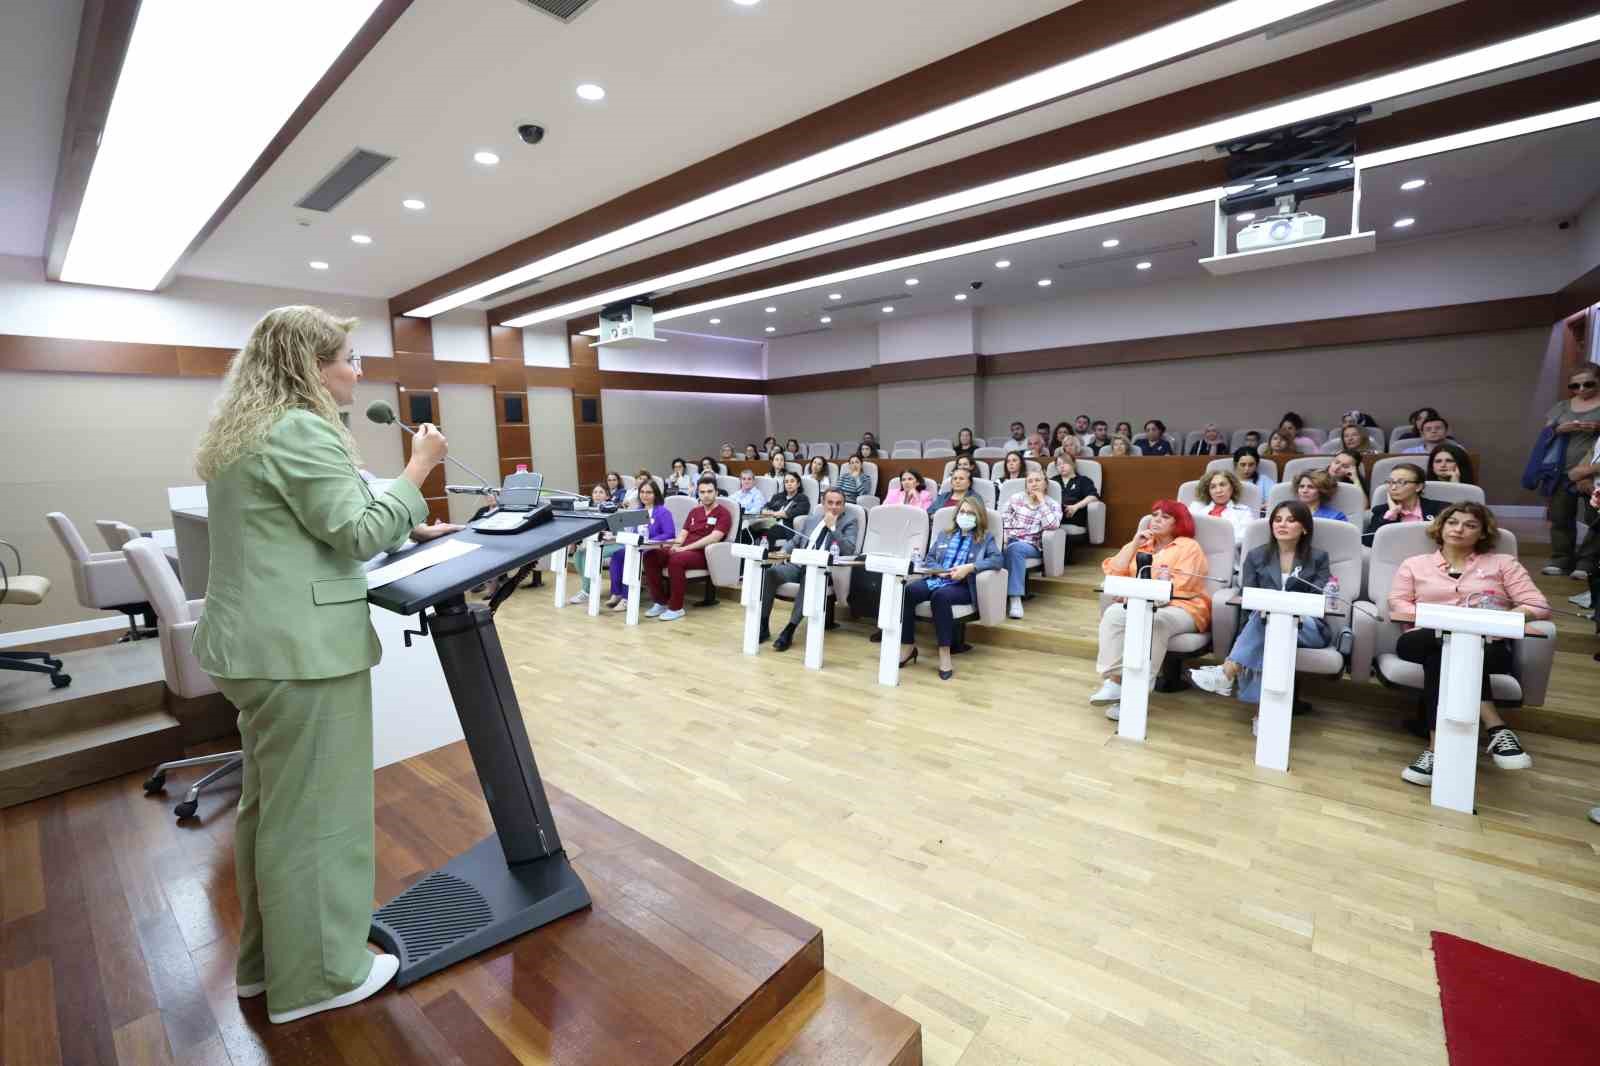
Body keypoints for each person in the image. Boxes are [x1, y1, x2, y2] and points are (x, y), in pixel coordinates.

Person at [192, 305, 460, 1023]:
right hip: (299, 654)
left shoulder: (249, 428)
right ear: (308, 365)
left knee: (271, 812)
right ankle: (319, 980)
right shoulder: (305, 427)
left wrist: (406, 514)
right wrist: (419, 468)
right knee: (319, 818)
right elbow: (356, 532)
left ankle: (265, 969)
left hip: (253, 647)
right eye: (347, 356)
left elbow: (305, 524)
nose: (358, 369)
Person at [1389, 502, 1549, 786]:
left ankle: (1436, 750)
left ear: (1483, 533)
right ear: (1441, 527)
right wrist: (1438, 619)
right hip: (1423, 636)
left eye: (1470, 525)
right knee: (1442, 642)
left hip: (1487, 644)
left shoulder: (1502, 564)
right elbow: (1398, 603)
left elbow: (1536, 604)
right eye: (1453, 523)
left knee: (1443, 654)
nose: (1459, 529)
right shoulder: (1415, 564)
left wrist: (1497, 622)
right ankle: (1496, 727)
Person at [1189, 500, 1332, 715]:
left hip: (1307, 626)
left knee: (1267, 620)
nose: (1282, 524)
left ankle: (1228, 672)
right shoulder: (1257, 556)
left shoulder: (1318, 558)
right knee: (1268, 623)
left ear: (1304, 527)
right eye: (1277, 519)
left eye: (1291, 520)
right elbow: (1248, 597)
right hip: (1264, 622)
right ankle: (1264, 715)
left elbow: (1319, 596)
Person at [1091, 501, 1211, 720]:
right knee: (1113, 614)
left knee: (1154, 621)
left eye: (1164, 517)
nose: (1155, 519)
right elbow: (1114, 572)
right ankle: (1115, 681)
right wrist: (1133, 543)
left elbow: (1183, 585)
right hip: (1139, 603)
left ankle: (1135, 697)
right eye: (1154, 514)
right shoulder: (1143, 544)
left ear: (1179, 522)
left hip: (1183, 607)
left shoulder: (1187, 546)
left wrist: (1139, 596)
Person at [897, 496, 1002, 680]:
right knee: (908, 591)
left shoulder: (985, 538)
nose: (965, 516)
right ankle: (908, 646)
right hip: (939, 579)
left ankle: (944, 653)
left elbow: (997, 560)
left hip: (962, 585)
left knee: (941, 596)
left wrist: (969, 567)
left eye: (970, 513)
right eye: (962, 512)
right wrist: (939, 571)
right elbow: (929, 558)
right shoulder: (945, 534)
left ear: (978, 517)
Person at [760, 487, 860, 650]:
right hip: (798, 565)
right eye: (830, 503)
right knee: (771, 573)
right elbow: (795, 541)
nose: (834, 507)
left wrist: (833, 528)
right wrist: (783, 551)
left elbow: (849, 549)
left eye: (838, 503)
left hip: (821, 570)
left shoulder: (849, 521)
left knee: (810, 577)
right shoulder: (812, 520)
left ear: (843, 505)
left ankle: (789, 630)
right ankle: (763, 625)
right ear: (823, 503)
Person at [641, 477, 732, 621]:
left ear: (716, 492)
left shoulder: (723, 513)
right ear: (698, 493)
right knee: (651, 556)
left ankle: (676, 608)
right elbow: (682, 535)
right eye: (702, 492)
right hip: (685, 550)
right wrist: (675, 547)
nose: (706, 495)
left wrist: (684, 549)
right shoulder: (694, 512)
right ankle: (661, 601)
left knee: (676, 560)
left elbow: (714, 538)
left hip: (704, 554)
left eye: (709, 491)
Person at [1543, 363, 1600, 578]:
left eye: (1588, 384)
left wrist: (1596, 428)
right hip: (1561, 470)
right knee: (1560, 517)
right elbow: (1546, 434)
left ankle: (1587, 562)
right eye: (1575, 386)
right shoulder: (1562, 406)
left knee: (1594, 519)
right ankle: (1561, 559)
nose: (1581, 389)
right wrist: (1560, 429)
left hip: (1594, 473)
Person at [599, 478, 674, 610]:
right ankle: (617, 593)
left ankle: (627, 598)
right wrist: (615, 535)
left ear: (655, 494)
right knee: (618, 555)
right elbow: (632, 531)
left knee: (631, 557)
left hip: (652, 547)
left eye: (649, 492)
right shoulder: (637, 511)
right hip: (636, 546)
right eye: (642, 492)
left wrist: (649, 539)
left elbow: (669, 533)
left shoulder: (663, 512)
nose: (645, 495)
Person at [1001, 469, 1062, 618]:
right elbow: (1001, 519)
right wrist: (1004, 535)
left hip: (1031, 545)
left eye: (1038, 480)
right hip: (1008, 539)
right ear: (1026, 485)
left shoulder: (1052, 504)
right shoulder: (1016, 499)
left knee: (1015, 549)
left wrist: (1041, 502)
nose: (1034, 484)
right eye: (1030, 481)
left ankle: (1015, 599)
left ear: (1045, 484)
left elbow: (1052, 525)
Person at [1363, 462, 1440, 546]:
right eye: (1390, 482)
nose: (1393, 487)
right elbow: (1368, 542)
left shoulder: (1440, 509)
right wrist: (1391, 515)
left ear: (1419, 487)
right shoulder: (1381, 511)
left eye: (1401, 482)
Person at [572, 483, 622, 604]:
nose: (597, 495)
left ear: (607, 496)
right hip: (597, 544)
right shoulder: (589, 511)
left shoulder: (614, 510)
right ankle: (586, 588)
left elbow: (619, 534)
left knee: (588, 554)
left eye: (601, 492)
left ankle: (586, 592)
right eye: (595, 492)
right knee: (578, 555)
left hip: (616, 544)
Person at [1189, 470, 1253, 543]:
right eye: (1213, 487)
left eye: (1222, 485)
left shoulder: (1244, 511)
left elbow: (1244, 538)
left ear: (1232, 487)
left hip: (1228, 551)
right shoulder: (1196, 509)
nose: (1218, 490)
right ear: (1208, 491)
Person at [748, 469, 810, 538]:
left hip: (786, 527)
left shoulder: (802, 498)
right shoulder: (778, 496)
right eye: (786, 482)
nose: (789, 484)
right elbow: (766, 506)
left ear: (798, 484)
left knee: (770, 531)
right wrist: (765, 510)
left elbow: (792, 513)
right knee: (749, 529)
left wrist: (775, 513)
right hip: (771, 522)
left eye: (792, 481)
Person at [1052, 453, 1100, 531]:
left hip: (1074, 515)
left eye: (1065, 463)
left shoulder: (1083, 480)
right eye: (1058, 464)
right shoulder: (1053, 481)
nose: (1062, 466)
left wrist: (1076, 507)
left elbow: (1093, 497)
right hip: (1055, 514)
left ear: (1073, 464)